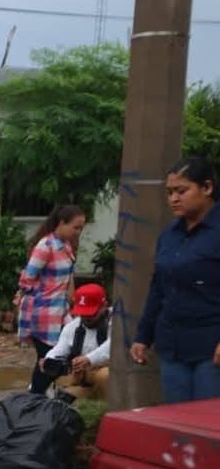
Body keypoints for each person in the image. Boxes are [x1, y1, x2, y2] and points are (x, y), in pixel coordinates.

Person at [131, 156, 220, 402]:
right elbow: (159, 288)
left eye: (182, 191)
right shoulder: (169, 235)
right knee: (178, 425)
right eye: (169, 192)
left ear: (207, 188)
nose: (174, 199)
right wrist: (142, 336)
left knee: (208, 426)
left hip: (212, 351)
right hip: (172, 348)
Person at [15, 205, 87, 395]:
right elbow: (27, 279)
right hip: (44, 314)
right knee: (47, 360)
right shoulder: (45, 246)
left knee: (65, 353)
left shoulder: (67, 247)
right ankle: (34, 398)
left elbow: (68, 279)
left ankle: (41, 395)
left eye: (81, 228)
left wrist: (74, 304)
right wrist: (30, 298)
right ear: (62, 223)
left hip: (61, 312)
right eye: (75, 227)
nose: (78, 232)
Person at [41, 283, 110, 402]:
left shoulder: (117, 322)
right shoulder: (72, 327)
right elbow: (59, 349)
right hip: (84, 380)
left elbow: (112, 346)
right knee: (62, 400)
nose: (87, 318)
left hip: (111, 378)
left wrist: (88, 359)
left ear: (104, 306)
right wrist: (48, 360)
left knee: (104, 375)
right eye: (83, 313)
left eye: (91, 313)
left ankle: (111, 410)